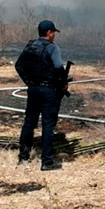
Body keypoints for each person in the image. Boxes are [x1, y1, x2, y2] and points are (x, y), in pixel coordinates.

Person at [15, 20, 68, 171]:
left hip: (33, 90)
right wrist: (62, 83)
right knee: (48, 125)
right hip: (48, 91)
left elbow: (18, 65)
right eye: (53, 33)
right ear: (49, 33)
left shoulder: (31, 46)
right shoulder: (52, 48)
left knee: (29, 123)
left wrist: (29, 82)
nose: (54, 36)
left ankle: (23, 156)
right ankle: (47, 161)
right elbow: (58, 67)